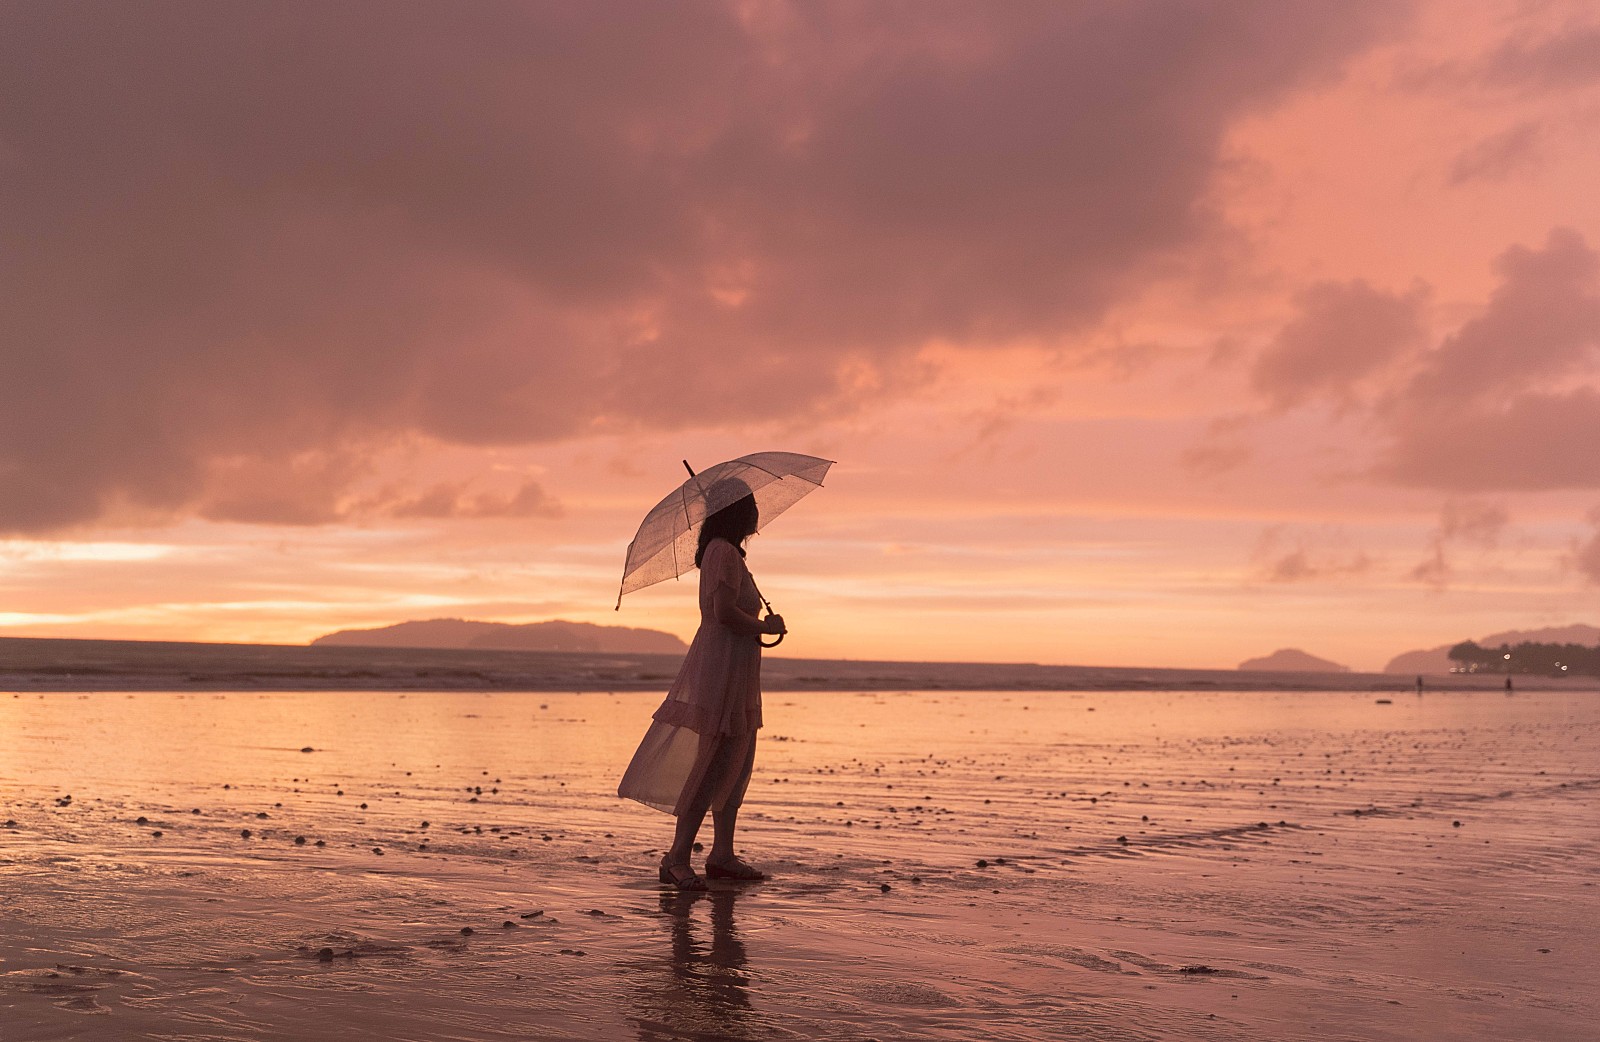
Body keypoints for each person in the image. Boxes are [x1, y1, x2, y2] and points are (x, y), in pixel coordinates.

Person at [617, 486, 786, 890]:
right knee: (712, 763)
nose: (757, 516)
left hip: (737, 665)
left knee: (734, 761)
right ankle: (676, 857)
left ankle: (722, 854)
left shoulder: (727, 553)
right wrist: (765, 626)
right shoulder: (723, 552)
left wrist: (760, 624)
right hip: (722, 665)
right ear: (736, 513)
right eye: (751, 508)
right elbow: (723, 613)